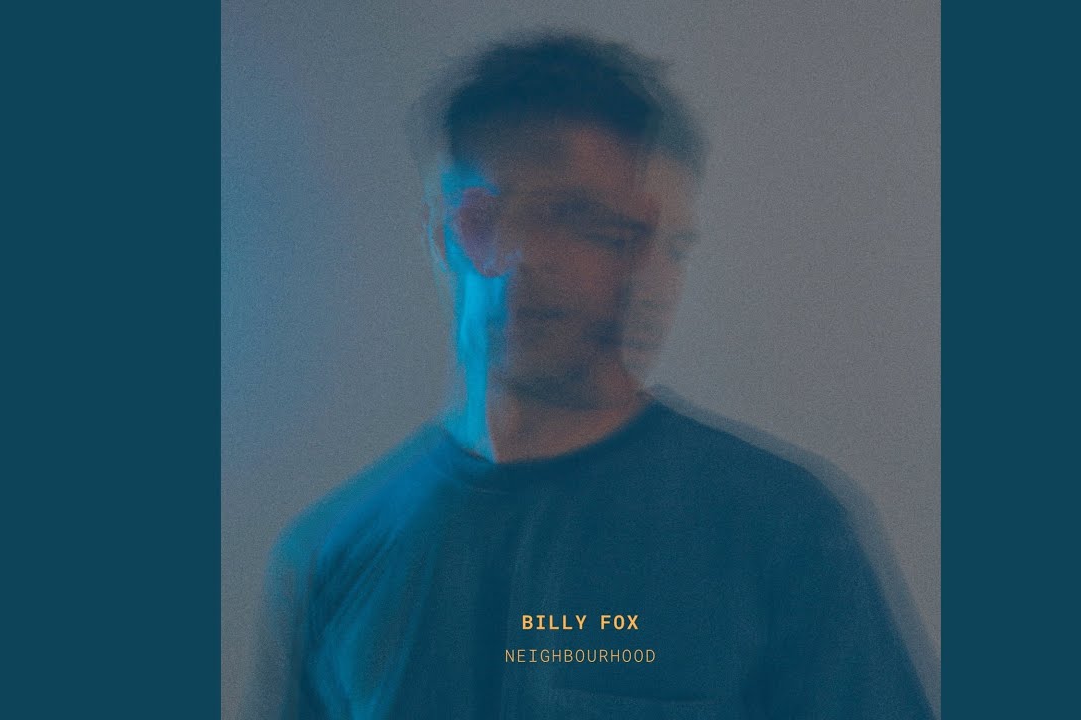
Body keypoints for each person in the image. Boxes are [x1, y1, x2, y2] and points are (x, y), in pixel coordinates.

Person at [244, 30, 935, 719]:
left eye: (582, 222)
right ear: (453, 233)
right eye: (490, 217)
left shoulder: (780, 531)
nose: (527, 254)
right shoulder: (333, 558)